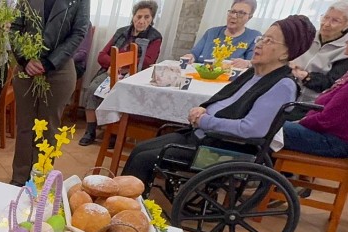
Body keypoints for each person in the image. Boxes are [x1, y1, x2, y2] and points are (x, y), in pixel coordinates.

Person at [121, 15, 317, 187]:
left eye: (269, 41)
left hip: (224, 149)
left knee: (144, 159)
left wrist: (205, 120)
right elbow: (225, 100)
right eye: (261, 38)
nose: (259, 44)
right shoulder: (254, 73)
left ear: (285, 53)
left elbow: (251, 129)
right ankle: (121, 204)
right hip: (206, 136)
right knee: (139, 149)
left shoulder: (282, 85)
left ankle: (131, 211)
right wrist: (202, 108)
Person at [10, 0, 89, 186]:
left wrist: (49, 63)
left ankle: (40, 181)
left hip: (59, 70)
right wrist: (25, 59)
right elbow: (14, 28)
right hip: (25, 68)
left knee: (48, 129)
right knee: (24, 126)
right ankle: (18, 180)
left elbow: (78, 33)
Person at [79, 0, 163, 146]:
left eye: (146, 17)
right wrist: (115, 65)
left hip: (134, 75)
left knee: (120, 95)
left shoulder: (155, 37)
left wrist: (122, 64)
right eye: (138, 16)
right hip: (111, 71)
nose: (141, 21)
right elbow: (102, 55)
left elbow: (148, 61)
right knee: (92, 89)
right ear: (133, 16)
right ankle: (90, 130)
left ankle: (114, 133)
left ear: (152, 19)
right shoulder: (122, 32)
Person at [290, 1, 348, 103]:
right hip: (285, 91)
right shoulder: (307, 36)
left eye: (335, 21)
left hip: (309, 105)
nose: (326, 24)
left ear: (346, 25)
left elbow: (332, 84)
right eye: (325, 17)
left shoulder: (345, 50)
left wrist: (306, 76)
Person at [283, 71, 348, 158]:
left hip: (335, 142)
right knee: (272, 126)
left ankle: (263, 168)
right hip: (324, 133)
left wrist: (302, 121)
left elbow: (325, 120)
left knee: (274, 129)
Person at [182, 0, 260, 67]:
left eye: (241, 13)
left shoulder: (253, 36)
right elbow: (194, 54)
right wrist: (190, 57)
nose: (233, 16)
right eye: (232, 12)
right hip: (201, 75)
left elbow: (254, 62)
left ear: (249, 17)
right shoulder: (211, 32)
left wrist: (247, 63)